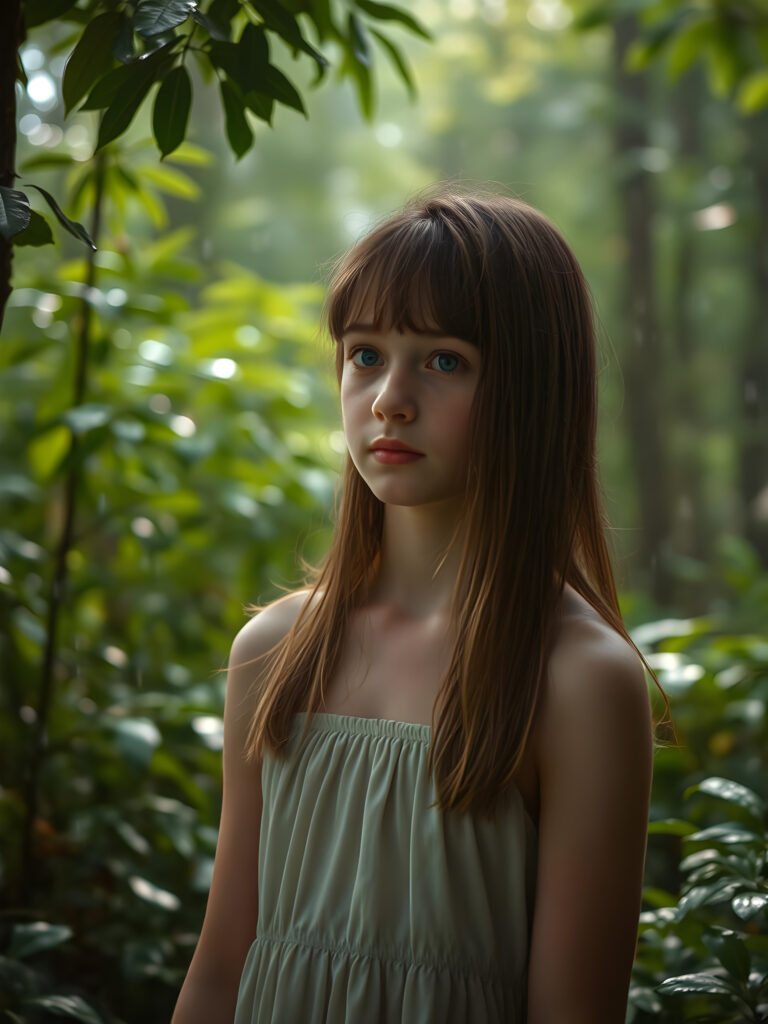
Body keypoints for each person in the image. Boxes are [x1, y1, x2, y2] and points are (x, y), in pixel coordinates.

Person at [171, 183, 671, 1024]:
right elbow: (221, 971)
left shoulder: (580, 680)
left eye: (444, 361)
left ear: (533, 390)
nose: (388, 399)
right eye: (365, 354)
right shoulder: (275, 650)